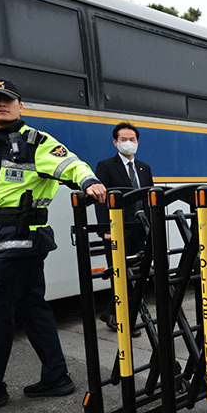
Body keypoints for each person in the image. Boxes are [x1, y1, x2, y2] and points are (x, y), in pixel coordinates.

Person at [0, 78, 106, 413]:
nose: (1, 104)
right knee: (33, 308)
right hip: (2, 237)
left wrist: (89, 182)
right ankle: (57, 377)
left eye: (7, 99)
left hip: (20, 239)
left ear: (21, 106)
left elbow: (70, 164)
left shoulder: (37, 142)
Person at [94, 122, 154, 334]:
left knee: (137, 274)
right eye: (123, 140)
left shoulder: (144, 168)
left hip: (140, 229)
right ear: (115, 142)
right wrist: (105, 230)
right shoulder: (106, 166)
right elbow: (100, 200)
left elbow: (149, 198)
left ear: (137, 142)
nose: (128, 143)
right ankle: (123, 320)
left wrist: (151, 226)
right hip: (117, 229)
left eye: (132, 140)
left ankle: (112, 311)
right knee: (120, 275)